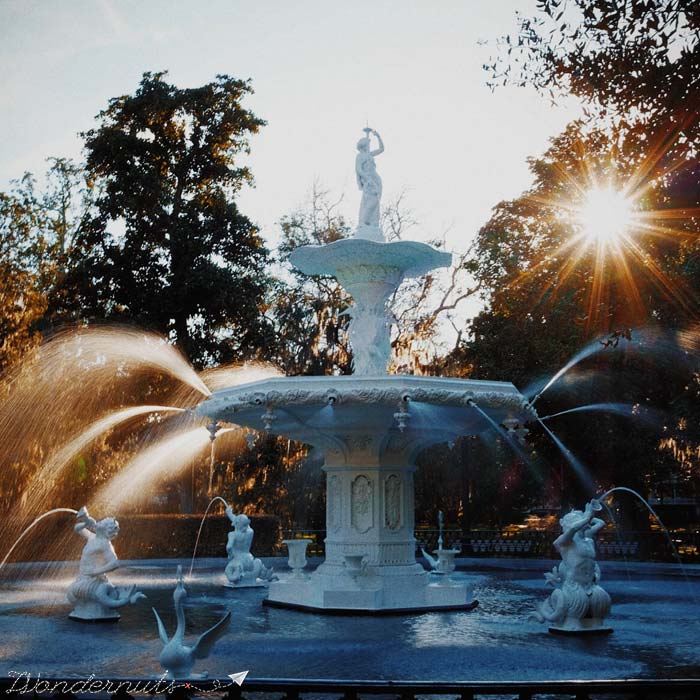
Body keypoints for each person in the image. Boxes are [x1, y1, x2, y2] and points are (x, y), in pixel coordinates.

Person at [536, 499, 611, 628]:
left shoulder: (587, 539)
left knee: (601, 602)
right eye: (578, 521)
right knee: (577, 610)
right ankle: (569, 620)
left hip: (591, 586)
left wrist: (589, 516)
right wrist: (586, 518)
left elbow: (600, 523)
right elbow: (573, 529)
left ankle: (593, 621)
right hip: (574, 588)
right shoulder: (564, 542)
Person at [355, 128, 384, 229]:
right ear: (364, 146)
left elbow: (381, 149)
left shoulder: (369, 154)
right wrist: (367, 178)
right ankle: (363, 222)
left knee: (376, 201)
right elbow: (358, 169)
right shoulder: (360, 156)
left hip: (375, 179)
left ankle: (373, 222)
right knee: (371, 200)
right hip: (368, 180)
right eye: (368, 144)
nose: (369, 146)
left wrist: (378, 136)